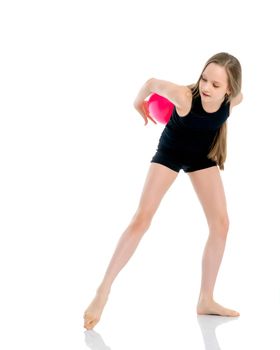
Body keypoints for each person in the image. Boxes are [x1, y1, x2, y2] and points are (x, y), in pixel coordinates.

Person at [84, 52, 243, 330]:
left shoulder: (233, 102)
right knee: (142, 218)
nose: (206, 87)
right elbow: (150, 82)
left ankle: (206, 299)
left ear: (229, 89)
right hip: (169, 154)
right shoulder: (183, 96)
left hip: (201, 159)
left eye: (216, 85)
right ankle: (103, 291)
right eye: (204, 78)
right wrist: (138, 104)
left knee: (221, 224)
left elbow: (230, 104)